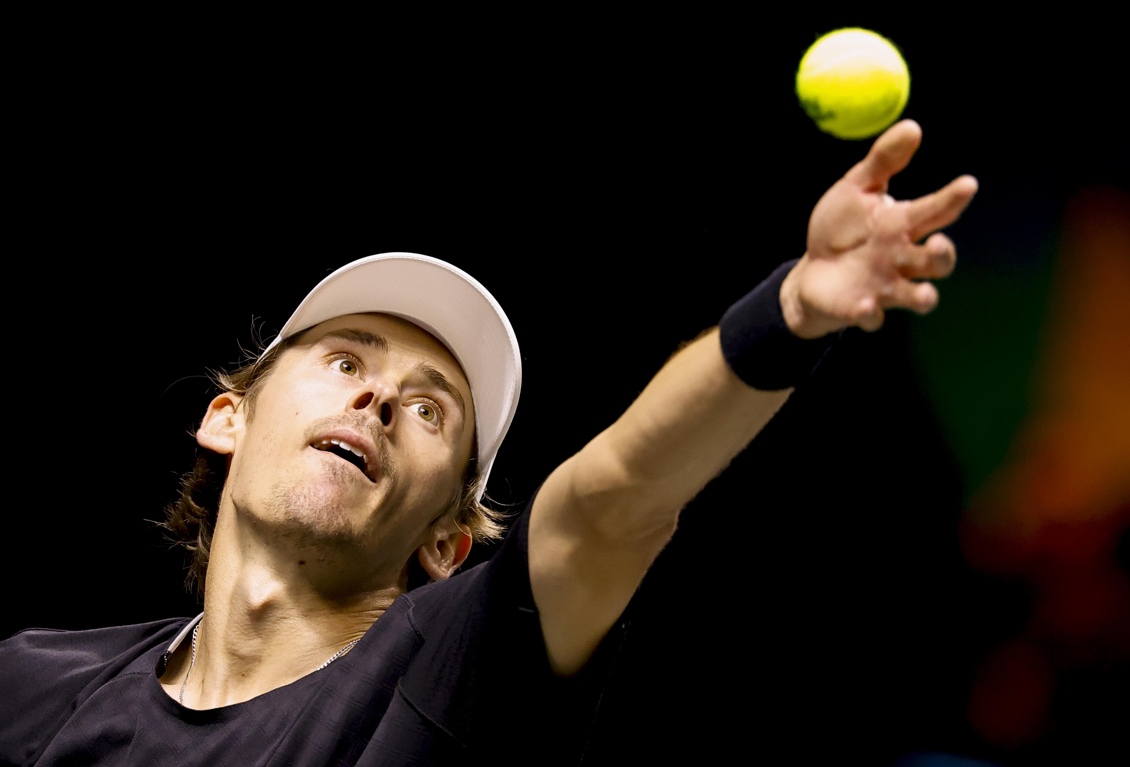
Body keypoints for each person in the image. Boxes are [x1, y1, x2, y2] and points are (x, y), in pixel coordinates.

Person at [0, 119, 977, 766]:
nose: (381, 394)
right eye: (344, 360)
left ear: (446, 540)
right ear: (229, 417)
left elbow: (612, 498)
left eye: (432, 409)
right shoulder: (33, 683)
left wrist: (794, 311)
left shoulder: (455, 667)